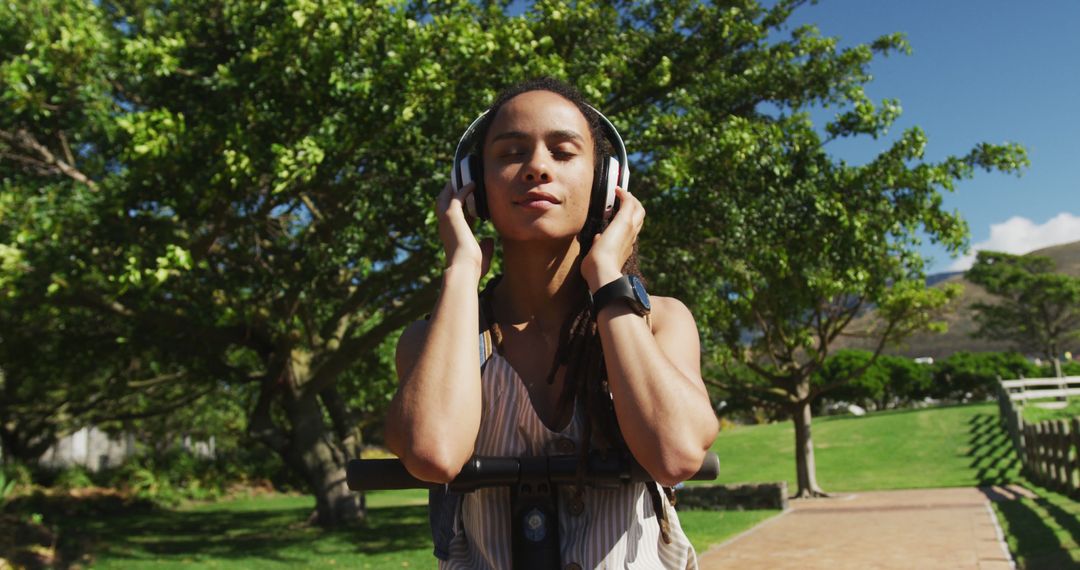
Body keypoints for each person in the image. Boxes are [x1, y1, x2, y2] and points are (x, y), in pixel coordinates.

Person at [385, 77, 719, 568]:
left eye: (563, 153)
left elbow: (675, 455)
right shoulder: (430, 342)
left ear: (606, 182)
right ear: (472, 187)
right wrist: (460, 268)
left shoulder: (659, 322)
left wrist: (606, 275)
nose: (537, 168)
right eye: (510, 153)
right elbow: (433, 453)